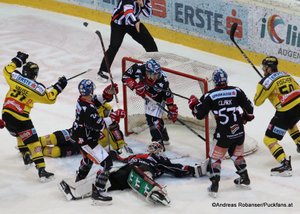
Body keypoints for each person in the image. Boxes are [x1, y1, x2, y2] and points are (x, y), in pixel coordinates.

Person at [59, 142, 207, 206]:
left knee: (138, 172)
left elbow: (176, 169)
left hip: (143, 171)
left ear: (160, 150)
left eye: (155, 147)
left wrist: (194, 170)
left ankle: (155, 191)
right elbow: (121, 158)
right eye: (151, 146)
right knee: (108, 179)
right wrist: (111, 154)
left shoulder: (158, 159)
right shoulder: (136, 156)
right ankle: (75, 191)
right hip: (126, 171)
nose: (152, 148)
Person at [188, 68, 254, 198]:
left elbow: (199, 115)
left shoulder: (210, 96)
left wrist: (193, 105)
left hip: (223, 133)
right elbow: (250, 109)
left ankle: (214, 186)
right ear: (226, 80)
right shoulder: (237, 91)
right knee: (237, 155)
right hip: (239, 130)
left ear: (215, 82)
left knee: (215, 158)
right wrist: (245, 117)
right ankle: (245, 178)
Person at [2, 51, 67, 182]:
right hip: (21, 118)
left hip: (6, 115)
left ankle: (25, 153)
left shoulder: (14, 76)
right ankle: (41, 170)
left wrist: (18, 60)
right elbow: (50, 99)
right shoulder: (38, 89)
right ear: (35, 74)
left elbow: (6, 70)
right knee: (33, 142)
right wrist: (59, 86)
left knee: (19, 134)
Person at [69, 79, 126, 205]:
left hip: (82, 137)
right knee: (107, 163)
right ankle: (99, 192)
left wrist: (107, 94)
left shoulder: (82, 100)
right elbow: (99, 125)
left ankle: (79, 180)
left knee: (88, 160)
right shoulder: (87, 109)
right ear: (90, 91)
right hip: (87, 141)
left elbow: (96, 100)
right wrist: (114, 116)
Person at [254, 56, 300, 177]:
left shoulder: (265, 82)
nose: (263, 69)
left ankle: (284, 163)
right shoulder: (286, 74)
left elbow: (257, 102)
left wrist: (264, 87)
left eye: (264, 67)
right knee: (291, 124)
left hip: (285, 112)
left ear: (269, 68)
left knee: (269, 139)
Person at [39, 103, 133, 158]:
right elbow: (97, 101)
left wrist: (115, 153)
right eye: (109, 114)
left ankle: (34, 151)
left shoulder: (116, 132)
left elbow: (124, 151)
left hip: (83, 146)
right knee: (53, 138)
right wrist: (108, 92)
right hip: (76, 133)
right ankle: (30, 144)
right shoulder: (100, 110)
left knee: (56, 152)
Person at [122, 58, 178, 149]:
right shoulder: (139, 68)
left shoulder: (163, 81)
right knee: (151, 119)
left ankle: (158, 144)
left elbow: (167, 94)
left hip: (158, 98)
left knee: (153, 121)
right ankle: (164, 136)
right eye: (154, 74)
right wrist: (135, 86)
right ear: (148, 72)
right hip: (148, 97)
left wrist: (172, 109)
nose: (157, 76)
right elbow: (125, 77)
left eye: (158, 73)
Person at [98, 0, 158, 81]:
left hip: (132, 23)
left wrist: (142, 5)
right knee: (114, 46)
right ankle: (103, 71)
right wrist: (136, 22)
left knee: (148, 41)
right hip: (118, 24)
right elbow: (128, 14)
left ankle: (155, 62)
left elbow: (148, 14)